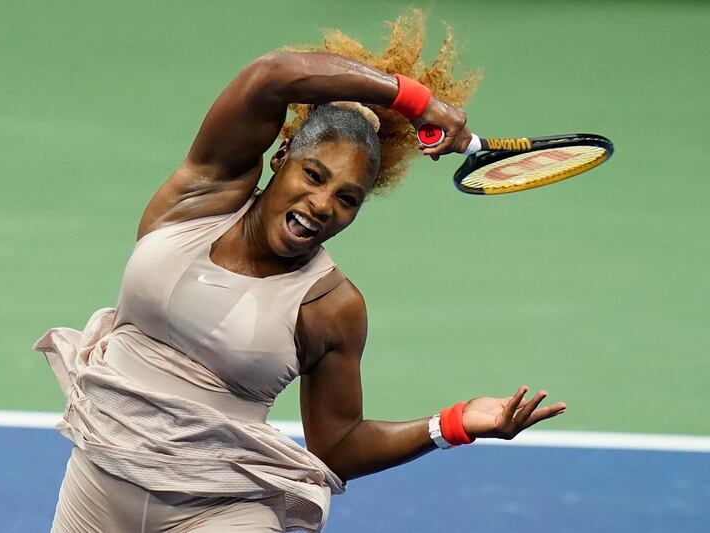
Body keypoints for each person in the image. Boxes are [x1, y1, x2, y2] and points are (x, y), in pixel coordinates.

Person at [34, 11, 566, 533]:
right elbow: (272, 76)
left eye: (347, 199)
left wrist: (452, 425)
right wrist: (414, 99)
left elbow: (336, 445)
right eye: (313, 175)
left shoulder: (331, 307)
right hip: (94, 492)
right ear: (281, 155)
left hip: (218, 513)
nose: (321, 204)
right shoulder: (200, 197)